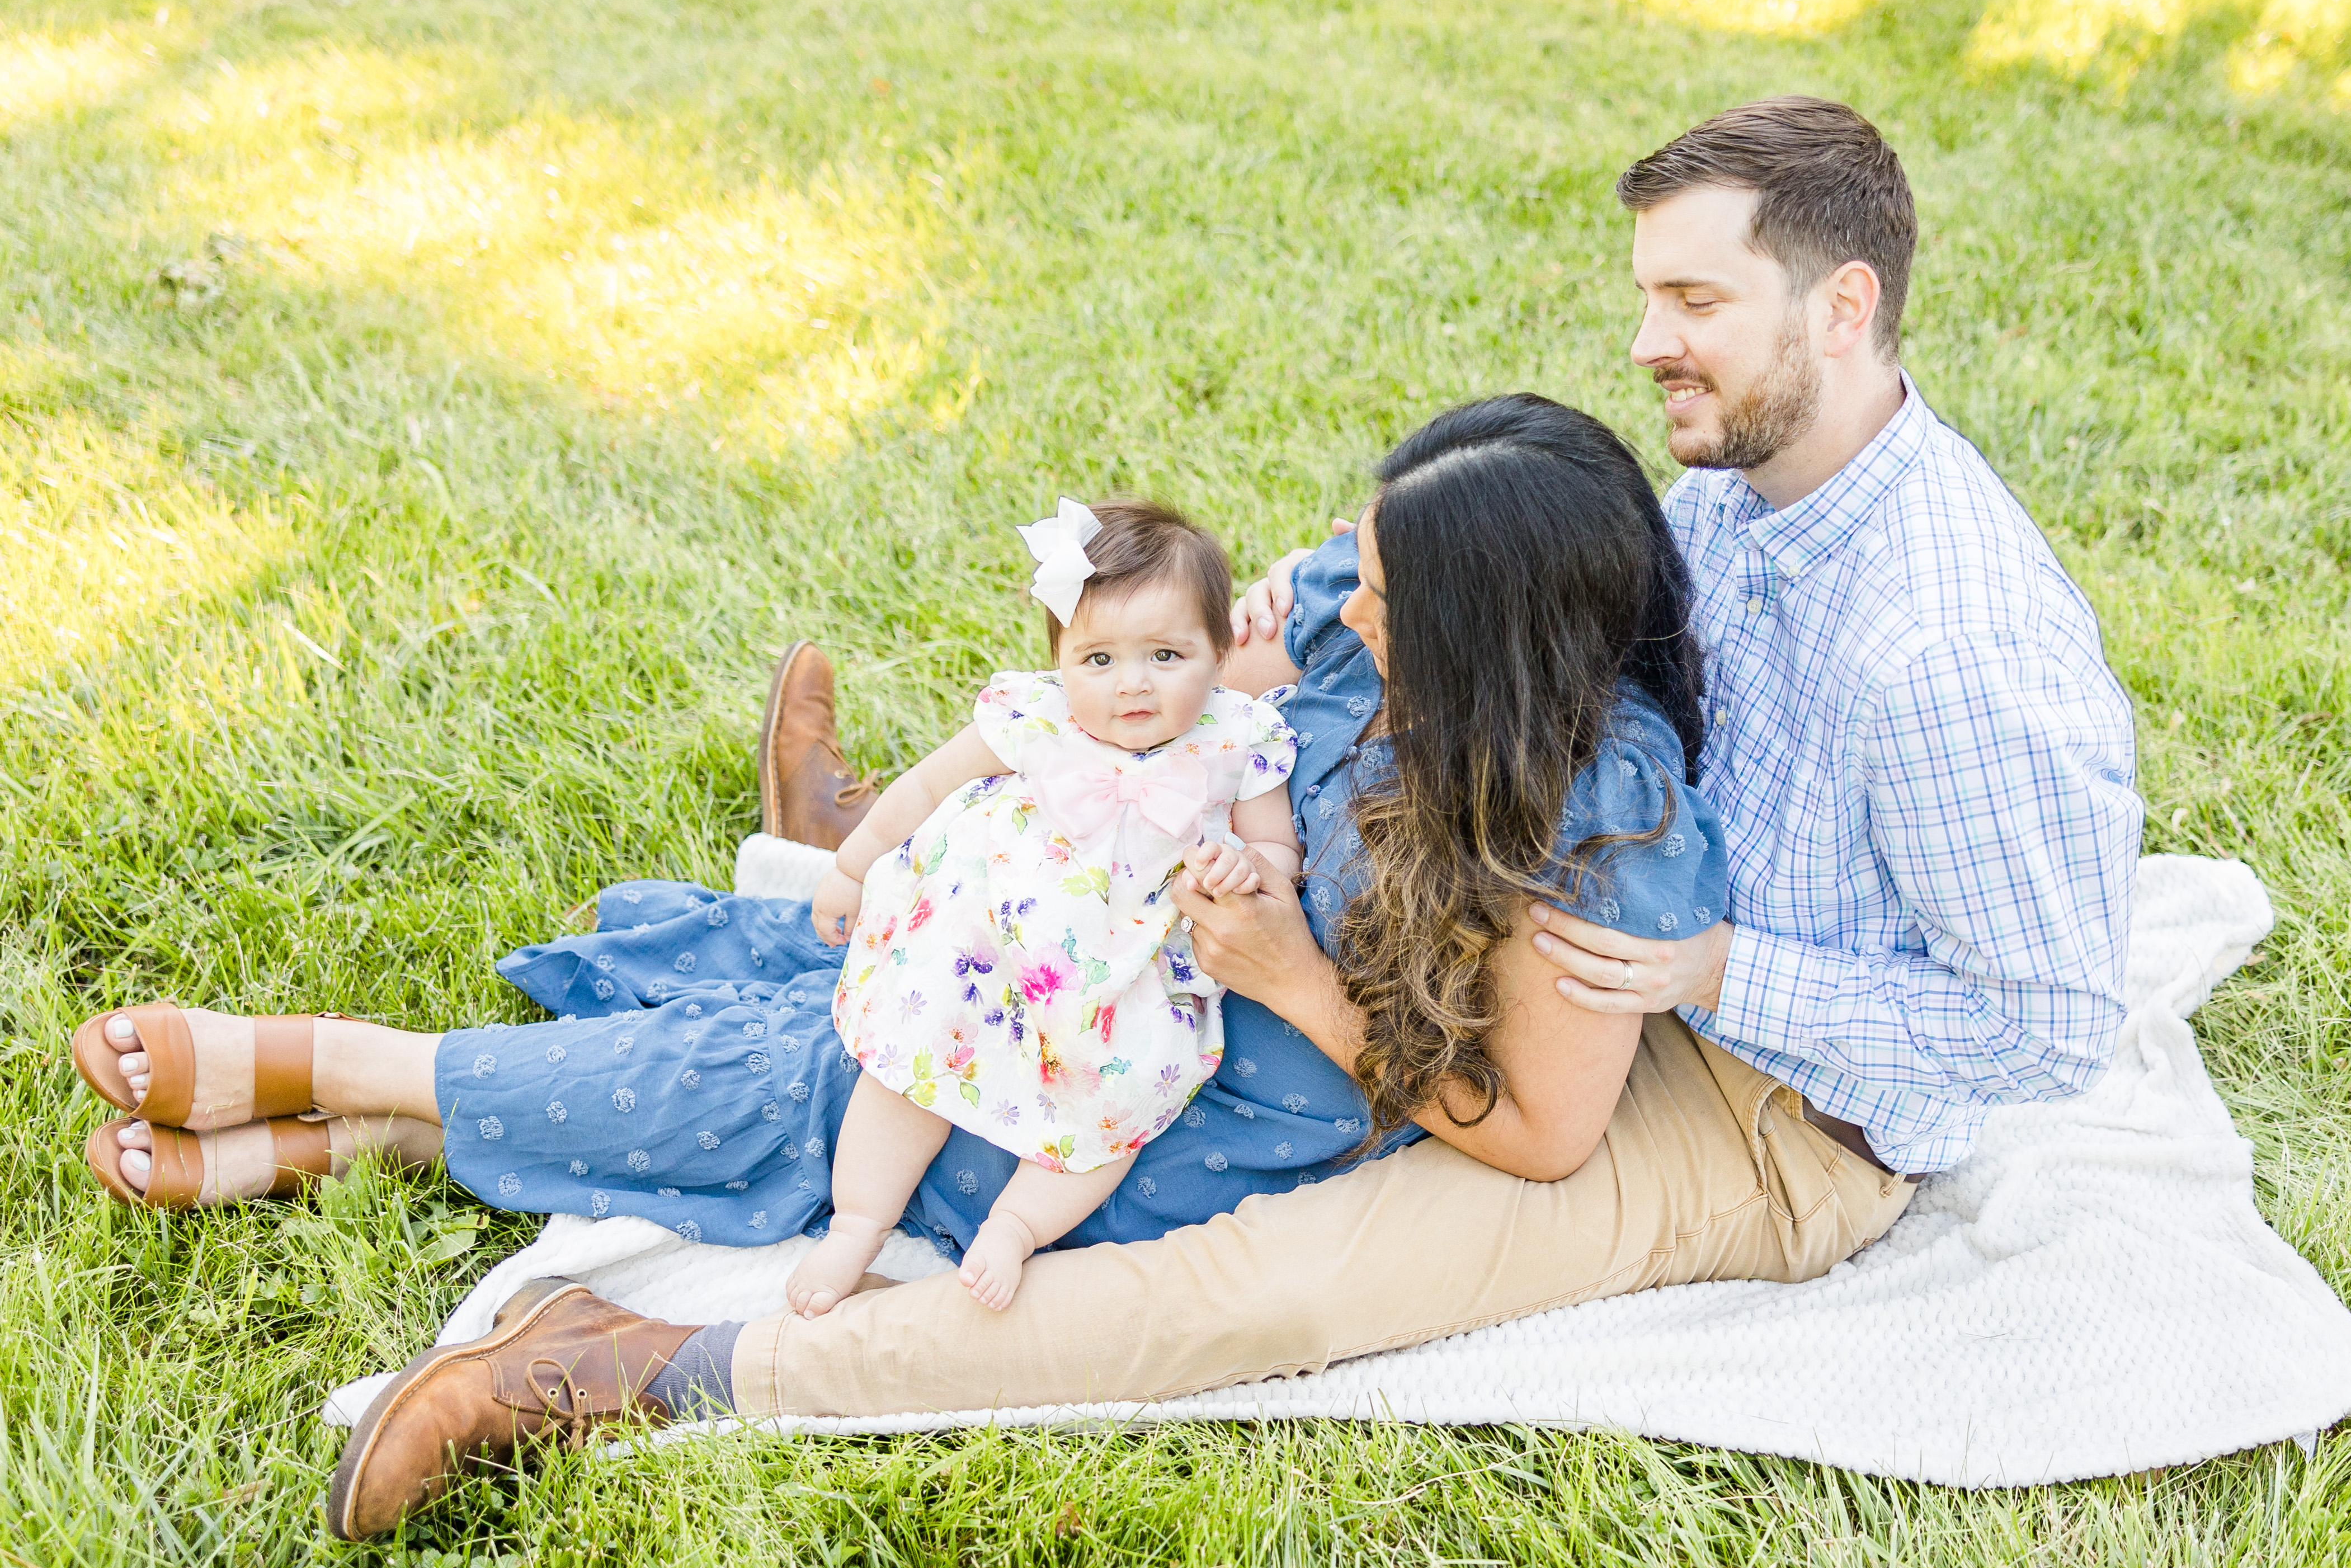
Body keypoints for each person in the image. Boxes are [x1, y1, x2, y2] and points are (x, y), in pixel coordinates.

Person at [307, 97, 2147, 1536]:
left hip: (1761, 1103)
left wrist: (1717, 964)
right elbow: (1526, 601)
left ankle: (641, 1369)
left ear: (1841, 307)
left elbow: (2048, 1023)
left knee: (1261, 1288)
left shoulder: (1952, 649)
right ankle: (887, 853)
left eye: (1692, 302)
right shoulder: (1746, 460)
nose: (1649, 340)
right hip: (1572, 905)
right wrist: (1302, 624)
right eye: (1646, 295)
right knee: (1079, 945)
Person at [65, 395, 1763, 1540]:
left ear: (1493, 641)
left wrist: (1285, 976)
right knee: (829, 979)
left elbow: (1542, 1131)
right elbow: (1195, 638)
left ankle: (358, 1070)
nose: (1342, 599)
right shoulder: (1354, 614)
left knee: (811, 1082)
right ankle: (366, 1129)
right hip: (1080, 950)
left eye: (1388, 594)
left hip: (1180, 1096)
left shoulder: (1594, 810)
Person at [791, 497, 1300, 1314]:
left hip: (1124, 972)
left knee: (1127, 1095)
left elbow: (1279, 851)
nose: (1131, 682)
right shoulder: (1035, 714)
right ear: (1061, 656)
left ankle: (1018, 1226)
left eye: (1166, 654)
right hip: (984, 938)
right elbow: (927, 784)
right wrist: (851, 866)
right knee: (912, 1055)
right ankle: (857, 1223)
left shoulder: (1241, 739)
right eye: (1098, 658)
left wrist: (1242, 864)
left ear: (1221, 648)